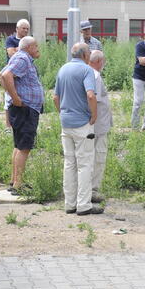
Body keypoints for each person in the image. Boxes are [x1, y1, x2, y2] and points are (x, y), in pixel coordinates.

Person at [53, 43, 102, 215]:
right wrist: (93, 115)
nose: (90, 54)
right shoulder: (87, 70)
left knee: (69, 164)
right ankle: (83, 205)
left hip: (66, 123)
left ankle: (70, 204)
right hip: (82, 123)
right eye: (88, 52)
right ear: (84, 55)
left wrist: (63, 113)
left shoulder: (63, 69)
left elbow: (55, 97)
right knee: (85, 164)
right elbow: (90, 95)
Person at [0, 37, 43, 194]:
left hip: (24, 108)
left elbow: (1, 74)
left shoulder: (20, 57)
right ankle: (18, 185)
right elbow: (5, 76)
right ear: (29, 47)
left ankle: (14, 181)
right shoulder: (23, 58)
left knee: (19, 146)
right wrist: (15, 98)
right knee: (24, 147)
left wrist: (12, 95)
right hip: (25, 109)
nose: (38, 48)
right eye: (36, 45)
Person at [88, 50, 113, 203]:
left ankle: (88, 188)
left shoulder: (88, 73)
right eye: (103, 62)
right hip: (98, 125)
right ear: (99, 62)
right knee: (98, 156)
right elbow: (93, 99)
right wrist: (94, 118)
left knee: (89, 156)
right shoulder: (95, 75)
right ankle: (93, 189)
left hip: (96, 124)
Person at [4, 19, 31, 130]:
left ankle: (22, 123)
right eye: (23, 28)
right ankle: (8, 126)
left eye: (27, 29)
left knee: (24, 98)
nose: (25, 30)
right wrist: (23, 52)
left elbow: (32, 54)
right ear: (17, 29)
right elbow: (11, 54)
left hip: (25, 75)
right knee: (9, 98)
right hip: (12, 73)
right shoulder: (11, 39)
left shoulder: (29, 40)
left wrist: (17, 50)